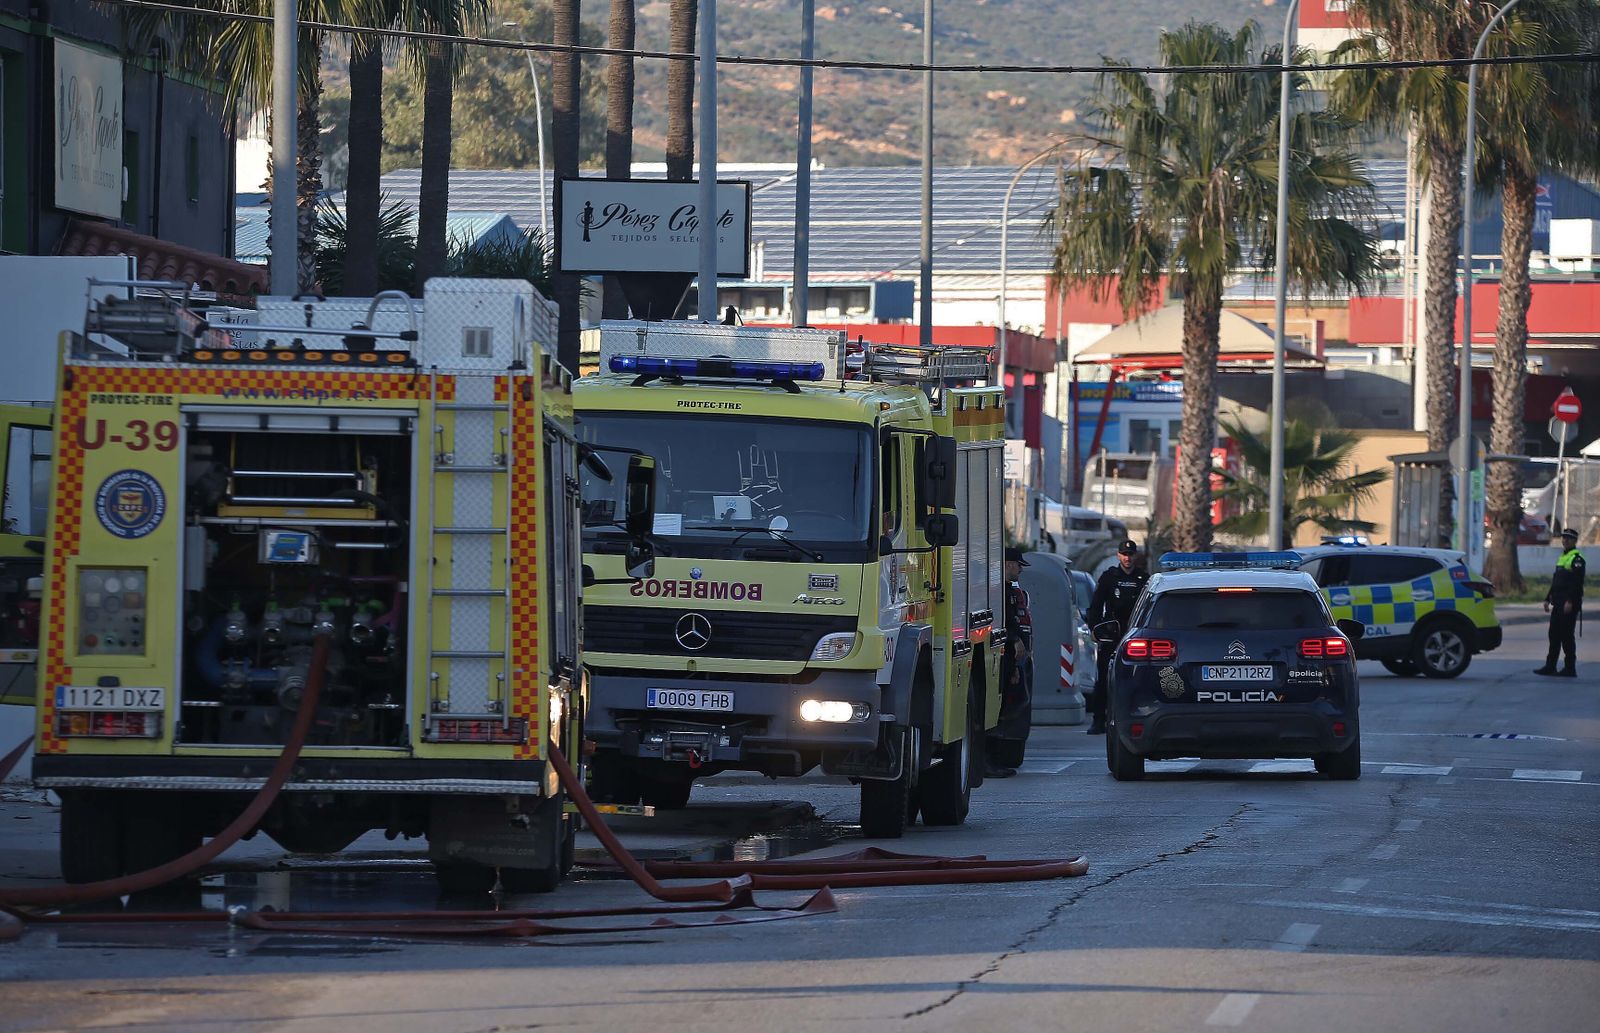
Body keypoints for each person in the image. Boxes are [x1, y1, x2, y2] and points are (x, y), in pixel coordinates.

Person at [1085, 539, 1148, 734]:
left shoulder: (1143, 579)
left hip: (1135, 633)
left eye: (1130, 555)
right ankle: (1098, 719)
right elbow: (1095, 606)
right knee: (1103, 677)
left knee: (1137, 676)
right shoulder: (1109, 577)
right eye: (1124, 554)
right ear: (1118, 555)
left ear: (1135, 556)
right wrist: (1095, 629)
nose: (1127, 558)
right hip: (1112, 633)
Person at [987, 547, 1033, 778]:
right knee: (995, 710)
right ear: (1006, 564)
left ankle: (993, 760)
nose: (1020, 570)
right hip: (998, 654)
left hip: (1007, 659)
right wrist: (1014, 640)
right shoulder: (996, 592)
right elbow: (1002, 623)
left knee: (1002, 708)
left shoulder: (1008, 591)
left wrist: (1015, 667)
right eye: (1017, 565)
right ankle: (989, 761)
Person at [1536, 528, 1585, 677]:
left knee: (1566, 636)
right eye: (1564, 538)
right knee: (1554, 635)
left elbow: (1577, 583)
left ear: (1575, 541)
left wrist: (1570, 601)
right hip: (1558, 602)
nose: (1565, 540)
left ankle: (1570, 668)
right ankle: (1550, 666)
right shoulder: (1563, 557)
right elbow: (1556, 581)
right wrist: (1547, 598)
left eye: (1569, 538)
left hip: (1568, 603)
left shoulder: (1577, 559)